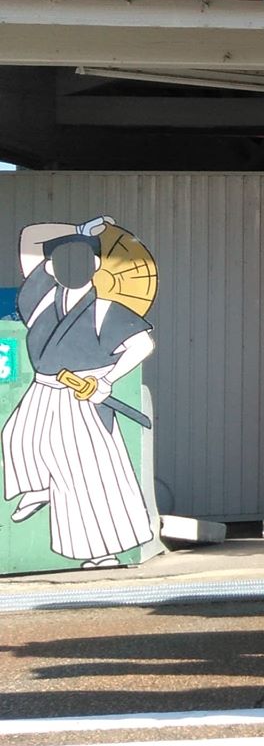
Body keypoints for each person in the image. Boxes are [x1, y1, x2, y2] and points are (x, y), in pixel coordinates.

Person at [2, 219, 154, 567]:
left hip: (85, 393)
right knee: (18, 437)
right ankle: (40, 487)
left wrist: (107, 380)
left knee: (88, 473)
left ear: (96, 266)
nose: (72, 266)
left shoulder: (104, 308)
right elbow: (29, 237)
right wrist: (82, 229)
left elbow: (141, 344)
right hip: (44, 389)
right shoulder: (41, 298)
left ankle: (102, 554)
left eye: (83, 257)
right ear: (51, 266)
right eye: (63, 258)